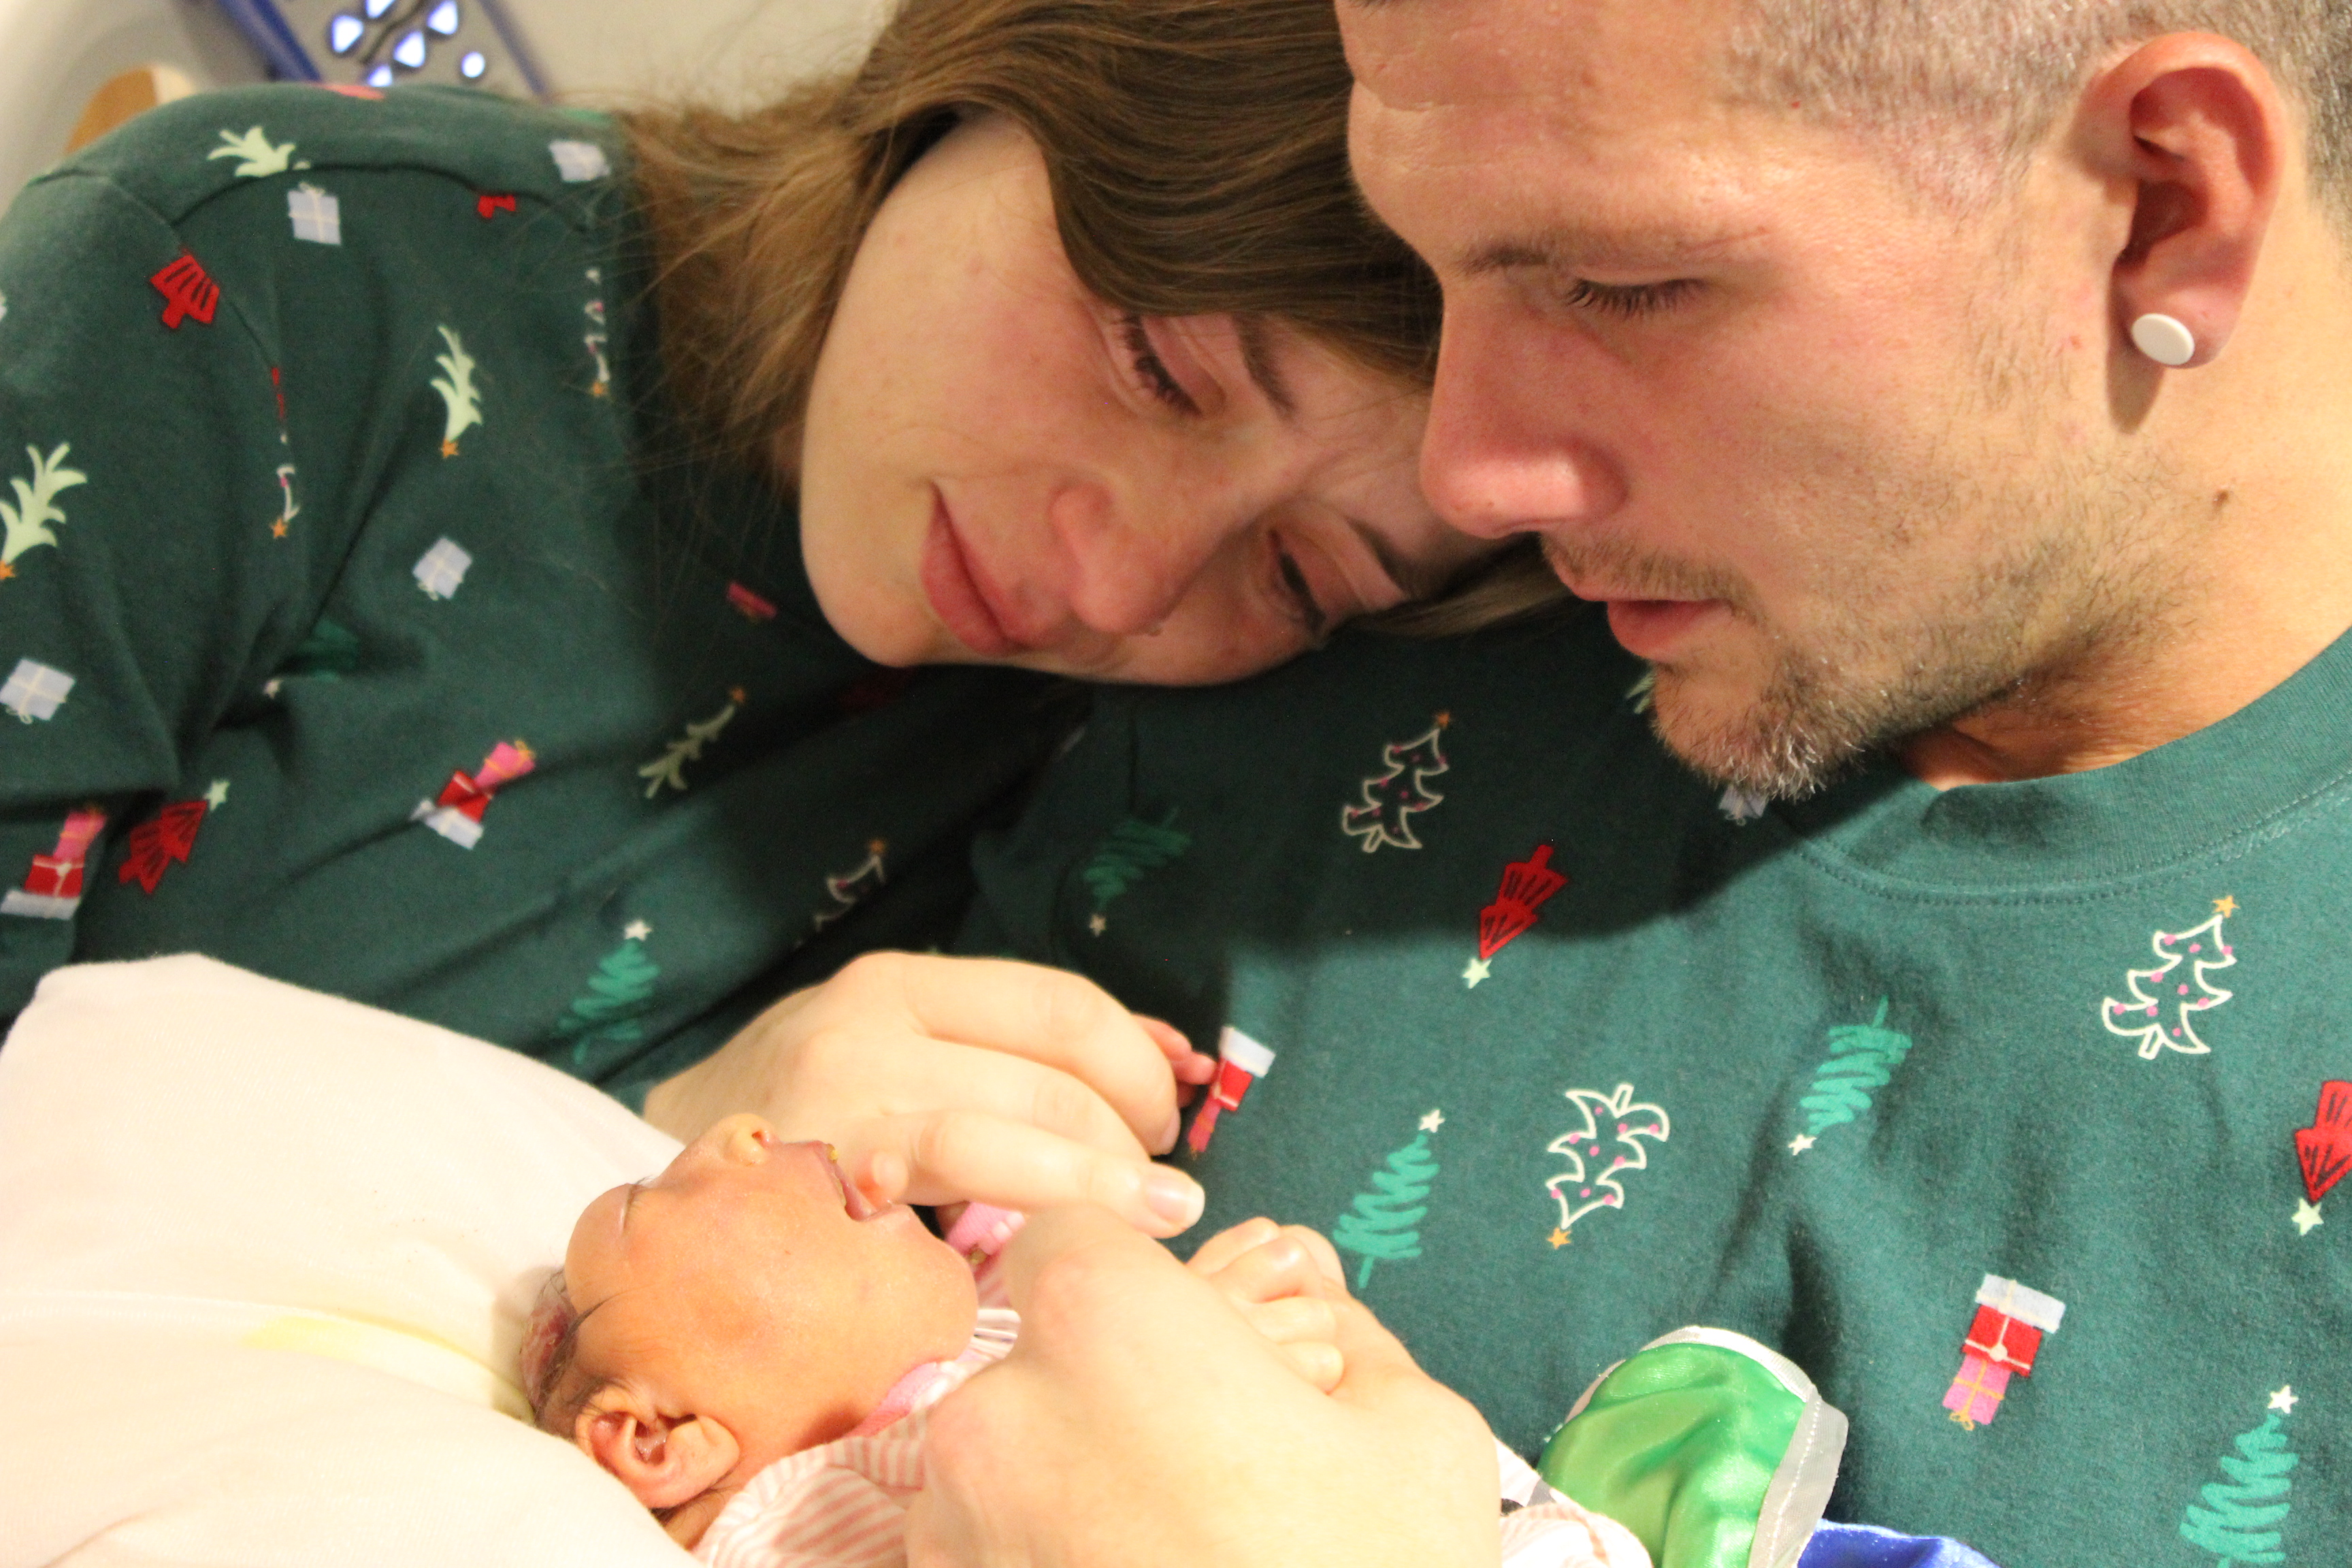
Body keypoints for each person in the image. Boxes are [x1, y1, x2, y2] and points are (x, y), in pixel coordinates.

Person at [913, 3, 2352, 1566]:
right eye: (1428, 268)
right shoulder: (1328, 656)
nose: (1466, 474)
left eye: (1622, 284)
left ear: (2164, 206)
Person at [0, 0, 1535, 1237]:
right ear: (988, 58)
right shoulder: (249, 278)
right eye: (1158, 368)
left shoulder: (1103, 765)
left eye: (1298, 575)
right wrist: (663, 1146)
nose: (1123, 589)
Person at [523, 1111, 1838, 1568]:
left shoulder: (944, 1350)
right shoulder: (785, 1517)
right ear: (656, 1439)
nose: (743, 1136)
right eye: (651, 1198)